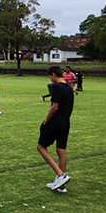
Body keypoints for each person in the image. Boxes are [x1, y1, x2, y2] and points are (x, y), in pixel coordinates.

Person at [37, 65, 74, 193]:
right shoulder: (69, 87)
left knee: (41, 147)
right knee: (61, 149)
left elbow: (54, 107)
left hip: (55, 123)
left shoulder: (57, 87)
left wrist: (46, 120)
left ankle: (60, 175)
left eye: (50, 76)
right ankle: (61, 184)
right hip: (65, 123)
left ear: (53, 74)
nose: (50, 79)